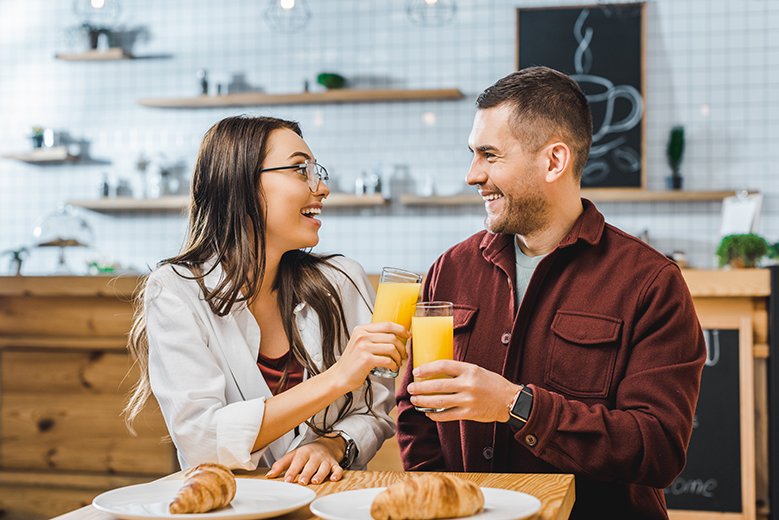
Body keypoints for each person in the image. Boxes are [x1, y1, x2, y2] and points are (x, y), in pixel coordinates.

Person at [396, 67, 706, 519]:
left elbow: (657, 449)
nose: (471, 175)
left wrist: (515, 405)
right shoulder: (450, 269)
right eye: (473, 154)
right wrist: (442, 503)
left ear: (554, 161)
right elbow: (413, 408)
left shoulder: (650, 282)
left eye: (489, 155)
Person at [124, 115, 408, 485]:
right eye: (299, 170)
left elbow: (374, 408)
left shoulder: (342, 280)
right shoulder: (176, 290)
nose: (321, 187)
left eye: (316, 171)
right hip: (232, 506)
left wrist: (332, 445)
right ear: (239, 183)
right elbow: (201, 442)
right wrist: (339, 377)